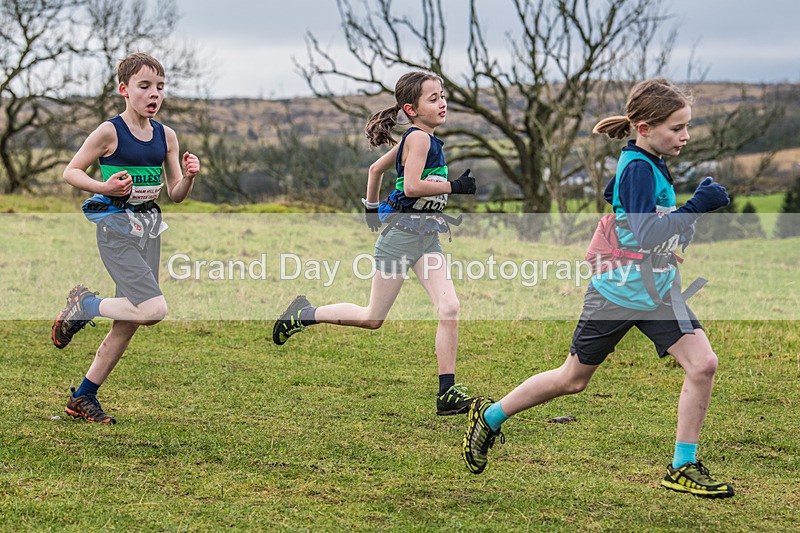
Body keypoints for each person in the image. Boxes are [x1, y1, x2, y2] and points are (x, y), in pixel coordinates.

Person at [462, 78, 735, 498]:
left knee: (703, 365)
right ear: (644, 127)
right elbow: (644, 233)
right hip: (617, 293)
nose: (685, 136)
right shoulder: (641, 166)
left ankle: (682, 465)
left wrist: (659, 204)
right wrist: (698, 205)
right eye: (677, 128)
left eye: (686, 126)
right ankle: (490, 417)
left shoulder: (646, 160)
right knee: (572, 379)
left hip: (658, 292)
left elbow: (623, 200)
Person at [272, 71, 478, 416]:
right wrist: (454, 187)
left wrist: (370, 209)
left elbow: (375, 171)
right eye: (433, 98)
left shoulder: (417, 138)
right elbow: (411, 187)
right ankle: (305, 314)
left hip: (426, 238)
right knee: (372, 318)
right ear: (411, 109)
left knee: (450, 308)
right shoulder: (420, 140)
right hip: (399, 240)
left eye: (443, 96)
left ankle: (447, 393)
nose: (442, 103)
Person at [51, 53, 200, 424]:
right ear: (124, 90)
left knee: (130, 320)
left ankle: (83, 397)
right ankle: (85, 306)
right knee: (153, 310)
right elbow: (71, 172)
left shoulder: (167, 136)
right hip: (116, 228)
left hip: (148, 231)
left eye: (160, 87)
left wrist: (189, 176)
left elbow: (175, 193)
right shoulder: (109, 132)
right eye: (144, 86)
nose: (154, 94)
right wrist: (103, 185)